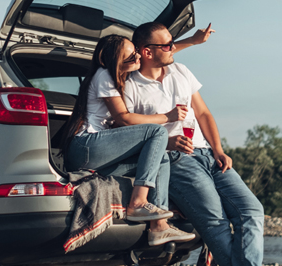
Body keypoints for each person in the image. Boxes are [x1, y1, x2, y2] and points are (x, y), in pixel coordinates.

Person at [123, 22, 282, 266]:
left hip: (209, 156)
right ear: (146, 52)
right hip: (175, 160)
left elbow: (204, 115)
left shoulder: (180, 71)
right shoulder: (131, 86)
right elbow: (129, 132)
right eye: (165, 45)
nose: (172, 47)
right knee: (216, 224)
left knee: (252, 211)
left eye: (172, 42)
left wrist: (219, 150)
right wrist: (167, 141)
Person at [60, 34, 195, 246]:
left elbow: (156, 55)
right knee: (157, 132)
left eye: (137, 54)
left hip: (99, 155)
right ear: (111, 60)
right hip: (85, 146)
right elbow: (122, 118)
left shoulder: (119, 75)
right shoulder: (103, 74)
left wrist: (192, 41)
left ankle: (159, 226)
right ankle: (138, 202)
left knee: (162, 158)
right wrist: (168, 117)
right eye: (131, 57)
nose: (137, 59)